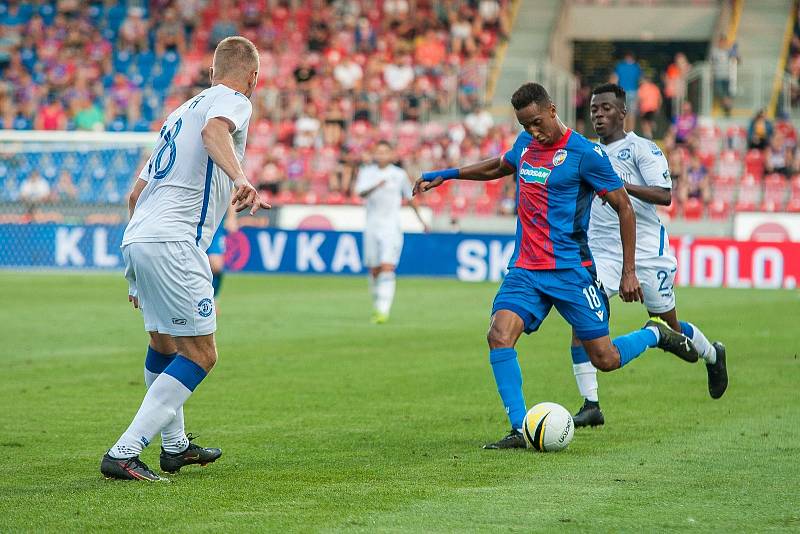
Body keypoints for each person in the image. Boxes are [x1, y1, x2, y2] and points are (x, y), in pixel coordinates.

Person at [415, 83, 701, 449]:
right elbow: (499, 166)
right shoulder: (526, 146)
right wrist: (450, 174)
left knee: (606, 359)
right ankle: (520, 428)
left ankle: (655, 333)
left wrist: (629, 271)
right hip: (526, 270)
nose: (532, 131)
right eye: (524, 125)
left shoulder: (584, 154)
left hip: (571, 271)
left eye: (536, 122)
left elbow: (624, 208)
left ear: (552, 109)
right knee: (498, 335)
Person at [101, 36, 269, 482]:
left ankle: (174, 447)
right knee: (201, 354)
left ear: (212, 72)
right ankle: (125, 451)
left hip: (140, 237)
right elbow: (214, 132)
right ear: (253, 77)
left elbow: (134, 194)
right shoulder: (234, 101)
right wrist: (241, 178)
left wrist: (136, 277)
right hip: (175, 242)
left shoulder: (175, 115)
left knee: (164, 343)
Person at [571, 84, 728, 428]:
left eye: (606, 108)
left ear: (623, 112)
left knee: (670, 326)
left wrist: (616, 185)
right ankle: (591, 404)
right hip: (601, 253)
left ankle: (713, 355)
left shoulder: (642, 149)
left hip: (646, 252)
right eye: (594, 109)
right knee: (582, 320)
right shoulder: (584, 153)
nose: (598, 114)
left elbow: (665, 194)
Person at [355, 140, 429, 324]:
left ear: (391, 154)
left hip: (391, 227)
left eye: (385, 152)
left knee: (387, 266)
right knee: (374, 269)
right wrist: (376, 185)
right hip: (371, 226)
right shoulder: (366, 172)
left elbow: (410, 198)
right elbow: (360, 193)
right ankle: (377, 305)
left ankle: (383, 310)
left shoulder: (398, 175)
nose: (381, 155)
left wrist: (421, 221)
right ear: (374, 154)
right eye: (378, 152)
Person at [207, 203, 239, 308]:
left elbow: (231, 189)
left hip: (215, 222)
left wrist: (232, 217)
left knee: (216, 266)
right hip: (191, 220)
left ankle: (213, 298)